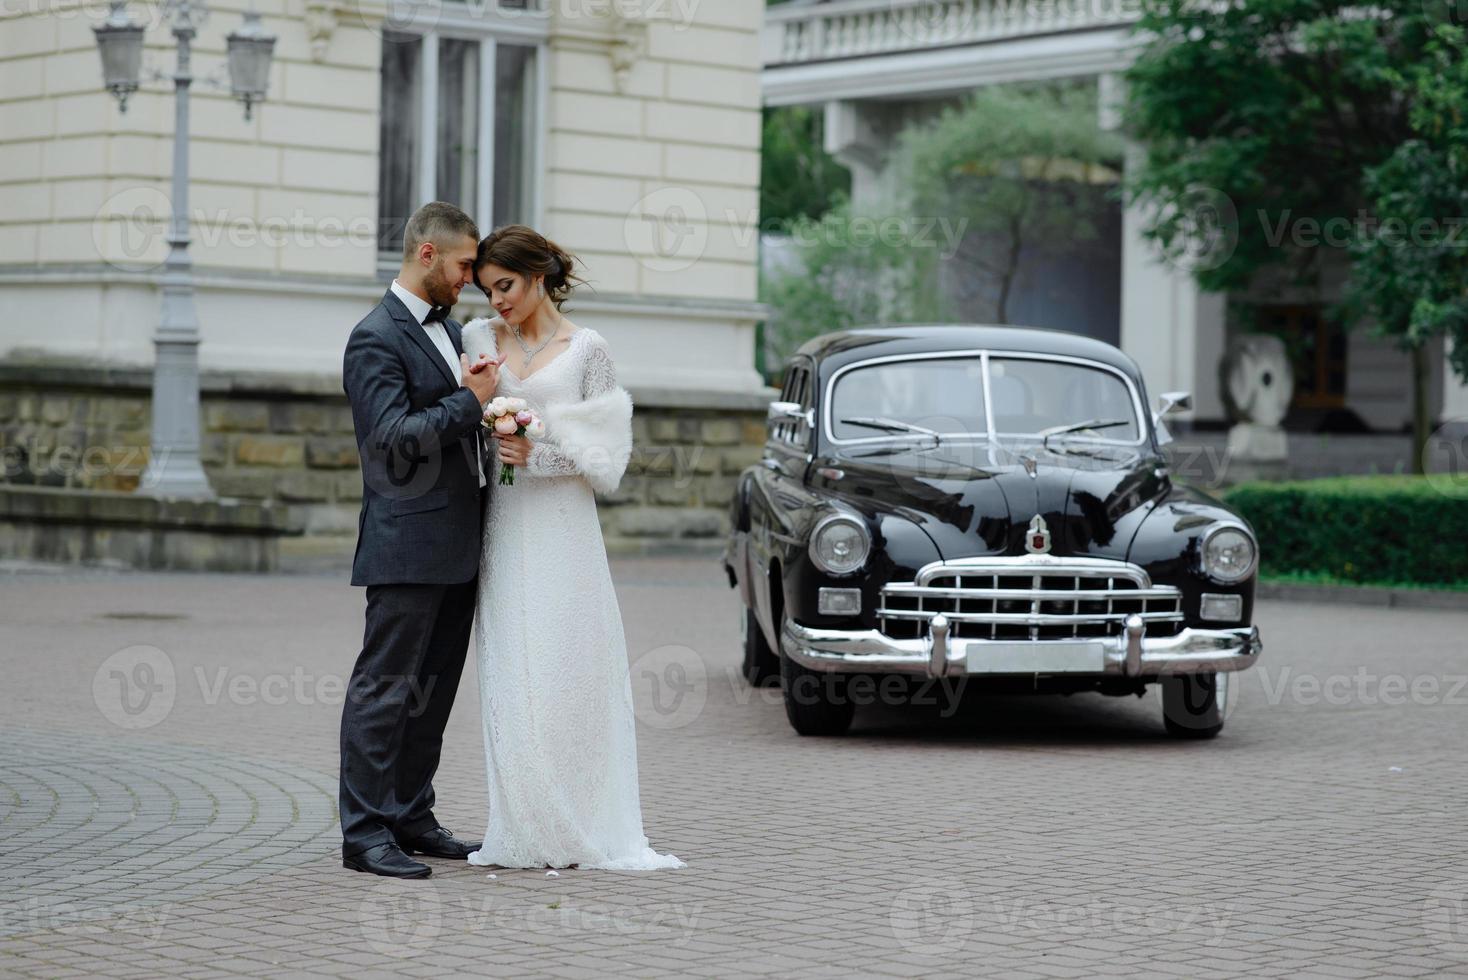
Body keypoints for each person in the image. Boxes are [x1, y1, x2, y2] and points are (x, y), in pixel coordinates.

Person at [460, 224, 684, 871]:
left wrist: (535, 455)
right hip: (503, 525)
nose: (496, 300)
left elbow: (606, 461)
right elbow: (459, 423)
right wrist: (485, 423)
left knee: (567, 676)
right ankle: (525, 829)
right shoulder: (478, 342)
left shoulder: (589, 349)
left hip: (564, 528)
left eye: (505, 286)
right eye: (486, 289)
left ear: (537, 277)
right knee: (513, 674)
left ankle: (581, 822)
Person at [338, 202, 504, 879]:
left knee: (431, 692)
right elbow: (390, 440)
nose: (472, 278)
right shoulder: (373, 336)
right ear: (428, 254)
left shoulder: (454, 331)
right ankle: (365, 832)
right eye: (466, 264)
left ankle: (411, 815)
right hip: (406, 541)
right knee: (385, 690)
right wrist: (469, 403)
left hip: (459, 544)